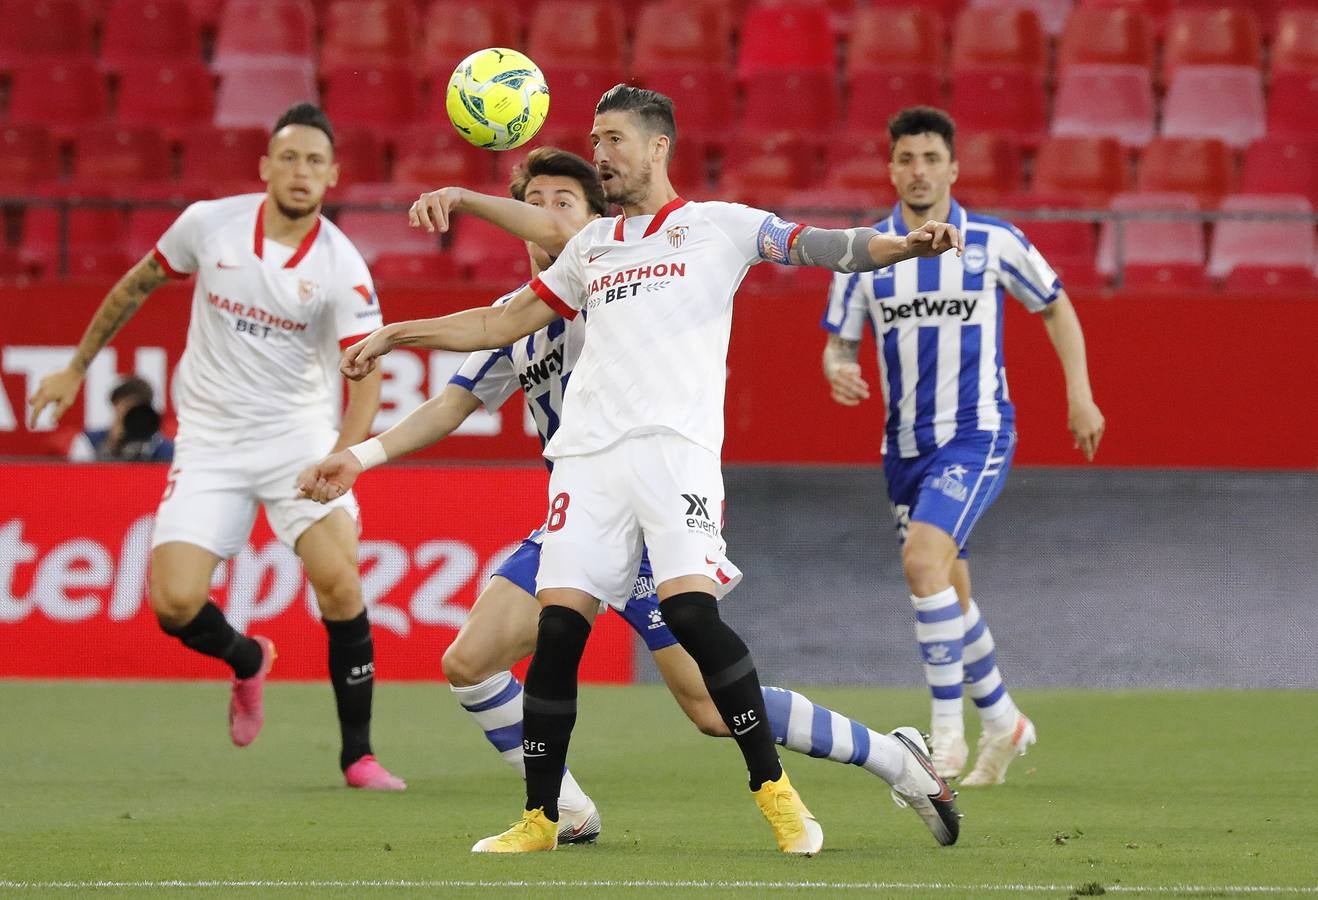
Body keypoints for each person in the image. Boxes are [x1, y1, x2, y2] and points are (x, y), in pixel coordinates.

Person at [333, 85, 965, 855]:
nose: (600, 152)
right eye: (592, 139)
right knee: (536, 639)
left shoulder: (713, 227)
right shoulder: (592, 252)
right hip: (588, 470)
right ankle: (549, 815)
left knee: (703, 673)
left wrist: (899, 246)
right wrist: (396, 333)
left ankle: (863, 768)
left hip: (671, 459)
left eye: (611, 140)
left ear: (658, 146)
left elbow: (818, 246)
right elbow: (498, 324)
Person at [27, 103, 405, 791]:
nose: (300, 171)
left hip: (297, 437)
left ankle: (359, 754)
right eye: (288, 157)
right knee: (173, 604)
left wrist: (344, 456)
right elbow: (136, 285)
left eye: (315, 161)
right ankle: (246, 660)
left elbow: (369, 377)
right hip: (208, 440)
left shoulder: (341, 268)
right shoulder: (209, 223)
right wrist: (77, 367)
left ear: (333, 176)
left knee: (341, 583)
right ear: (265, 166)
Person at [819, 107, 1106, 786]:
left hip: (976, 435)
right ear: (890, 168)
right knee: (950, 592)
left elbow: (1055, 304)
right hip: (904, 450)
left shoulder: (993, 242)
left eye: (930, 158)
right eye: (905, 159)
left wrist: (1080, 393)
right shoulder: (863, 254)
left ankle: (945, 738)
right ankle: (1004, 720)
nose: (918, 171)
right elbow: (837, 343)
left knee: (923, 565)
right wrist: (837, 368)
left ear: (953, 168)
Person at [68, 375, 174, 462]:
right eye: (126, 404)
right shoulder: (88, 441)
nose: (131, 412)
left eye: (137, 407)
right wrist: (111, 443)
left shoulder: (161, 447)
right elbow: (79, 479)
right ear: (115, 404)